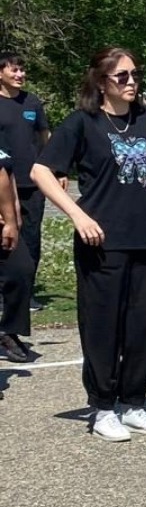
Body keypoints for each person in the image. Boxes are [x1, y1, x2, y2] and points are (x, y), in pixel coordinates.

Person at [31, 47, 146, 441]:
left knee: (145, 327)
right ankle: (102, 408)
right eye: (122, 76)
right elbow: (41, 171)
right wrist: (78, 215)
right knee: (103, 326)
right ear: (102, 82)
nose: (132, 82)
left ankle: (133, 403)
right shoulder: (83, 123)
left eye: (135, 74)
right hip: (102, 242)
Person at [0, 52, 49, 311]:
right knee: (5, 234)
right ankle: (3, 292)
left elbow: (44, 135)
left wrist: (54, 169)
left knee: (31, 237)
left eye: (22, 70)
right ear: (1, 73)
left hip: (31, 182)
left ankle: (26, 293)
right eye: (14, 70)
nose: (20, 75)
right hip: (3, 182)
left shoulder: (32, 102)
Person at [0, 134, 32, 363]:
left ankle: (8, 329)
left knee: (21, 270)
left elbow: (6, 173)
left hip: (4, 223)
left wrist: (14, 215)